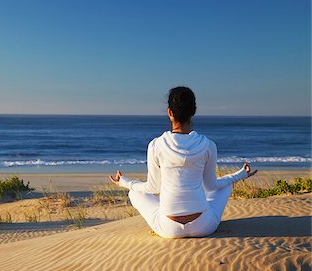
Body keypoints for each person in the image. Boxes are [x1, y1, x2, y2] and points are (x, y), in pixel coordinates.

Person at [109, 86, 257, 238]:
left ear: (170, 113)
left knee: (134, 193)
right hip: (204, 226)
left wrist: (124, 182)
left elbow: (152, 187)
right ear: (193, 112)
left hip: (168, 228)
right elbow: (211, 186)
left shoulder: (156, 145)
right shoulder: (208, 145)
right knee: (225, 185)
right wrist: (240, 175)